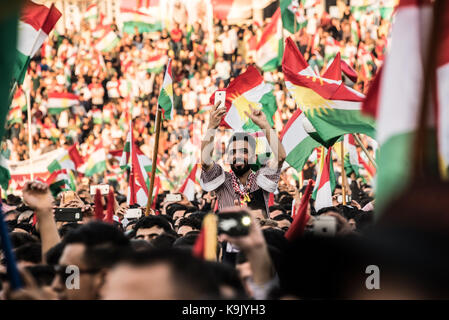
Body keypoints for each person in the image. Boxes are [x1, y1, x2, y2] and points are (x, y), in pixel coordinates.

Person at [200, 103, 286, 216]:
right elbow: (205, 162)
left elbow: (280, 157)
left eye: (244, 151)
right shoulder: (222, 180)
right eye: (233, 152)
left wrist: (265, 125)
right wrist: (211, 127)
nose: (238, 156)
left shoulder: (261, 179)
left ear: (254, 157)